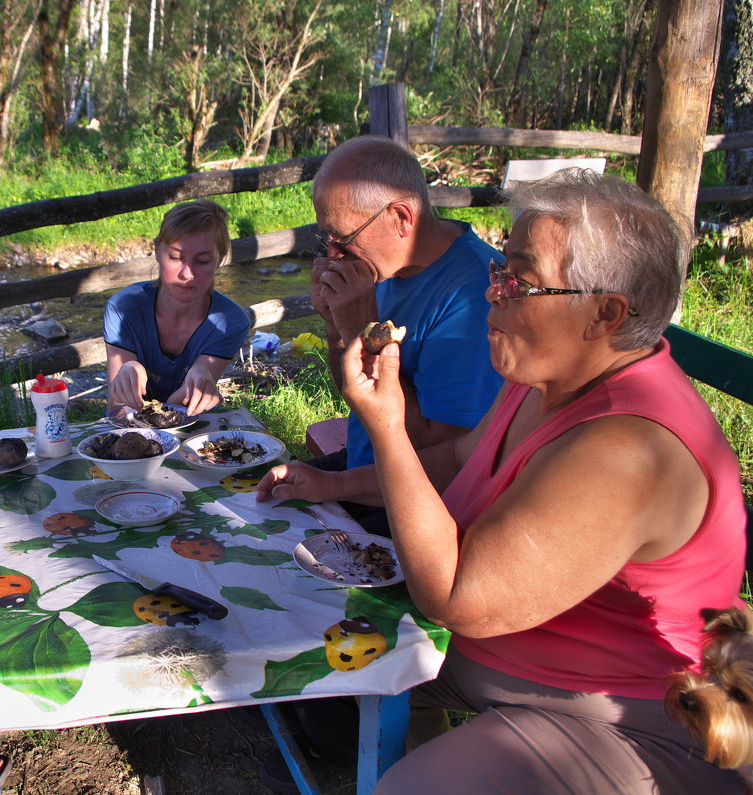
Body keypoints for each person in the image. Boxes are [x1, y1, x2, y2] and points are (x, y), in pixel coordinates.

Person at [258, 169, 747, 793]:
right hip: (506, 654)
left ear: (605, 313)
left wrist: (386, 425)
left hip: (624, 716)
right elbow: (465, 457)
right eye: (499, 270)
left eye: (521, 279)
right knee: (293, 610)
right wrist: (335, 486)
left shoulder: (629, 448)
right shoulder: (545, 375)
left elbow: (456, 598)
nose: (494, 292)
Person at [308, 136, 502, 470]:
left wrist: (363, 331)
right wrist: (336, 329)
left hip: (408, 499)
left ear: (401, 217)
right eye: (326, 238)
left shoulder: (476, 297)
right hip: (363, 467)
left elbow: (441, 451)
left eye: (344, 239)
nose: (333, 255)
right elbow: (356, 396)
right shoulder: (384, 268)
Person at [104, 199, 251, 417]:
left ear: (220, 260)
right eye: (175, 257)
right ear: (156, 251)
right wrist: (128, 369)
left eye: (202, 261)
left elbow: (181, 405)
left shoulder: (232, 322)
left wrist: (202, 374)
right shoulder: (123, 309)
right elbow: (118, 407)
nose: (187, 274)